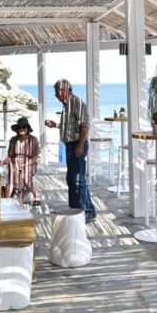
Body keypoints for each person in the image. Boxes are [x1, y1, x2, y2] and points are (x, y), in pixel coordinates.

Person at [45, 79, 95, 222]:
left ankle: (81, 213)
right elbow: (71, 126)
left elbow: (84, 126)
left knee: (77, 181)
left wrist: (80, 146)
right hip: (70, 145)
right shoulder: (67, 105)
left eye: (56, 92)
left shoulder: (76, 102)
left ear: (64, 90)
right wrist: (56, 125)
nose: (55, 95)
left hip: (76, 145)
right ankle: (83, 211)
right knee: (73, 180)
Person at [0, 116, 41, 206]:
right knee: (12, 178)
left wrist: (25, 164)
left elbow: (35, 157)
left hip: (30, 162)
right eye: (19, 127)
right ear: (17, 129)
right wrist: (4, 161)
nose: (21, 129)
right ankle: (8, 200)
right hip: (15, 162)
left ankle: (36, 194)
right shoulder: (13, 140)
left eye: (24, 127)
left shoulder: (33, 139)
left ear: (28, 129)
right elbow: (10, 155)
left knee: (25, 177)